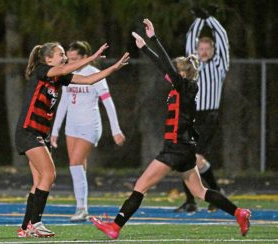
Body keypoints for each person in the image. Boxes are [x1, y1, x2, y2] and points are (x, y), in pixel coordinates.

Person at [90, 18, 250, 240]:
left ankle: (115, 227)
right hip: (185, 148)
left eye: (175, 72)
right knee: (200, 191)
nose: (170, 74)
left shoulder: (184, 86)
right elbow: (162, 66)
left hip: (175, 148)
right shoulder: (185, 87)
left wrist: (152, 39)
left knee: (140, 186)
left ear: (181, 75)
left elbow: (164, 63)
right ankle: (238, 212)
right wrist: (144, 48)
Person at [15, 41, 129, 238]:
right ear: (48, 59)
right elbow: (64, 68)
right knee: (49, 175)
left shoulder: (59, 79)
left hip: (40, 134)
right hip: (28, 131)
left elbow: (90, 79)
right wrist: (91, 58)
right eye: (60, 54)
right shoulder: (42, 70)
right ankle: (36, 223)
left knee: (39, 181)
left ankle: (25, 227)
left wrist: (114, 67)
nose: (64, 57)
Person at [50, 41, 126, 222]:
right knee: (78, 165)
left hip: (90, 125)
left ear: (85, 57)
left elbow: (107, 102)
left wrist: (116, 129)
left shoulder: (94, 74)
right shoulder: (67, 73)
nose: (71, 61)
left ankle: (81, 208)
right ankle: (82, 206)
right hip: (72, 126)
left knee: (75, 163)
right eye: (69, 58)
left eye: (75, 58)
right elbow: (64, 103)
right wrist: (55, 130)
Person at [175, 6, 229, 213]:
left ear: (213, 51)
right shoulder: (193, 66)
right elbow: (190, 41)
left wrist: (211, 19)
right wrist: (199, 20)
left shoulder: (219, 65)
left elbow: (223, 40)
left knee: (194, 159)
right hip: (191, 115)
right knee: (185, 158)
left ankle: (214, 194)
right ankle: (193, 200)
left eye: (208, 48)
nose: (204, 51)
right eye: (201, 48)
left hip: (209, 117)